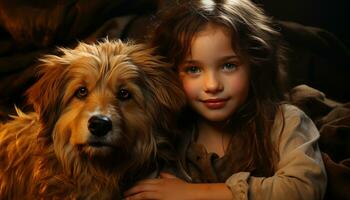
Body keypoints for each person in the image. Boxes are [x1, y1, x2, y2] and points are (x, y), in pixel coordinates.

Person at [124, 0, 327, 199]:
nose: (212, 85)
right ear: (171, 73)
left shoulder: (284, 121)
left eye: (228, 66)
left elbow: (304, 187)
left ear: (255, 65)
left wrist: (191, 193)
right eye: (193, 69)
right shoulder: (170, 134)